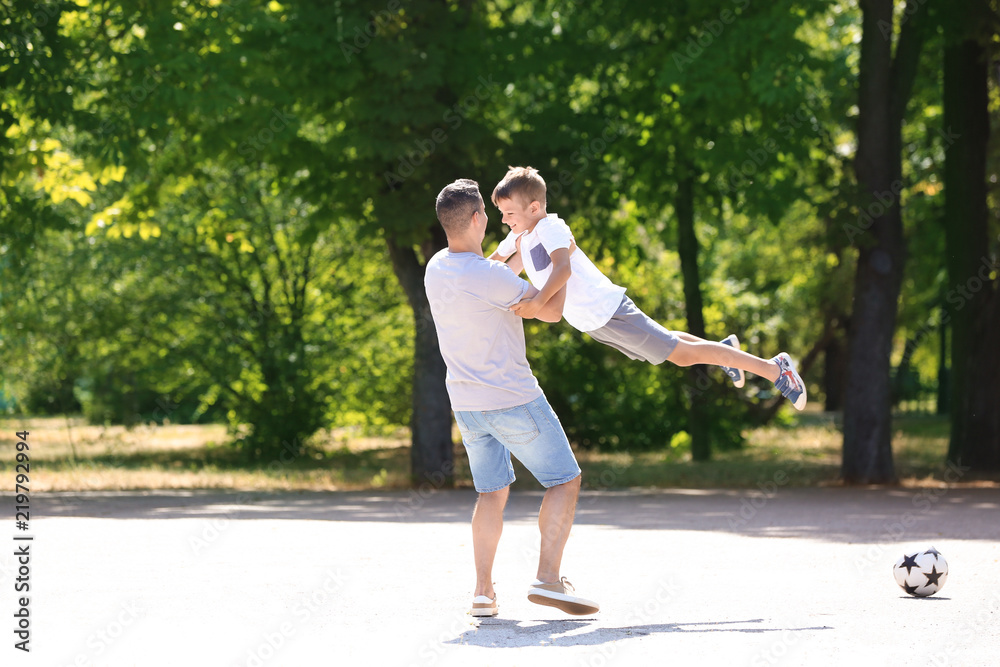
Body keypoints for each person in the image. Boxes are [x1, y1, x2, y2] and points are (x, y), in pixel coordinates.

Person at [488, 165, 808, 410]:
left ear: (533, 208)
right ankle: (723, 351)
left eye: (509, 213)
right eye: (501, 213)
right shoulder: (521, 236)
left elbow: (563, 269)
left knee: (680, 356)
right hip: (594, 323)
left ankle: (773, 368)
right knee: (671, 344)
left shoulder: (549, 227)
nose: (504, 219)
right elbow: (495, 266)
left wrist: (536, 304)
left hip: (609, 310)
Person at [424, 178, 600, 619]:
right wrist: (562, 261)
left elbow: (491, 280)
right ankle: (548, 579)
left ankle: (483, 592)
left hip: (466, 405)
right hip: (513, 398)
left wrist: (517, 249)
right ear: (479, 218)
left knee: (491, 492)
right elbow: (554, 311)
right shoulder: (490, 276)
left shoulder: (436, 267)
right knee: (564, 480)